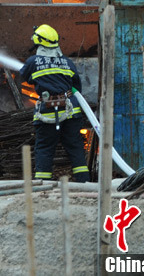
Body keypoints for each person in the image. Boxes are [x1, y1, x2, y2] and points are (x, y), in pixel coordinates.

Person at [19, 24, 90, 183]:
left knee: (45, 149)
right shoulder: (67, 62)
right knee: (76, 148)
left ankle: (42, 186)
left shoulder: (32, 61)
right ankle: (85, 183)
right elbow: (76, 87)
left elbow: (24, 77)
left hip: (48, 112)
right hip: (71, 111)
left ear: (39, 42)